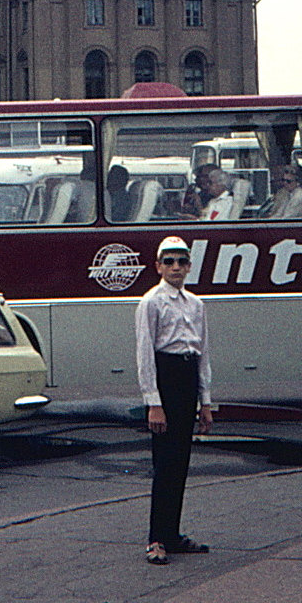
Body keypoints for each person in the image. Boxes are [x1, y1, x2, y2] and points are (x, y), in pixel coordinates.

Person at [134, 235, 213, 566]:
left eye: (182, 262)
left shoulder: (196, 305)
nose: (176, 267)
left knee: (180, 462)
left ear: (189, 266)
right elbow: (145, 354)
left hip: (187, 378)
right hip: (165, 379)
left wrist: (205, 402)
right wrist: (154, 402)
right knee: (164, 464)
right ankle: (156, 538)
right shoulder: (151, 302)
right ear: (158, 266)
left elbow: (203, 354)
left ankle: (173, 534)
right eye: (169, 262)